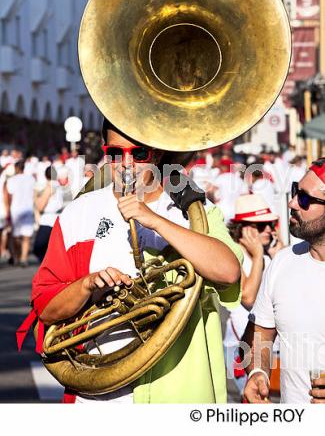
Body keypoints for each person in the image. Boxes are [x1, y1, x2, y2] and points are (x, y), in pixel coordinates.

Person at [19, 119, 243, 404]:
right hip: (98, 396)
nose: (125, 164)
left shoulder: (193, 213)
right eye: (115, 153)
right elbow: (45, 308)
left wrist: (156, 221)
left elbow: (228, 272)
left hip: (175, 390)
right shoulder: (79, 213)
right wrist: (87, 286)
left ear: (158, 154)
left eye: (138, 154)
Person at [241, 157, 325, 404]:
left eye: (305, 199)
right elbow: (260, 335)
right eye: (295, 192)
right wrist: (258, 372)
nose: (292, 202)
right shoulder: (283, 261)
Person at [224, 194, 282, 397]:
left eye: (271, 224)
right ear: (244, 229)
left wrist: (278, 258)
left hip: (270, 346)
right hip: (241, 347)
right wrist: (258, 256)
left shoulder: (271, 253)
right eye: (261, 225)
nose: (268, 230)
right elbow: (247, 297)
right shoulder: (232, 254)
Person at [4, 160, 35, 267]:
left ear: (17, 168)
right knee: (26, 236)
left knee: (16, 235)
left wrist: (7, 209)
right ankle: (24, 258)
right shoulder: (31, 179)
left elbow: (8, 195)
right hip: (28, 208)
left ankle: (18, 256)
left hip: (16, 209)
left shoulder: (12, 180)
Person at [33, 166, 64, 262]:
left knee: (38, 247)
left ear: (46, 176)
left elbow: (40, 206)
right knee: (52, 248)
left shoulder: (49, 186)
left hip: (47, 219)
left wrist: (35, 196)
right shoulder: (60, 186)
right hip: (58, 218)